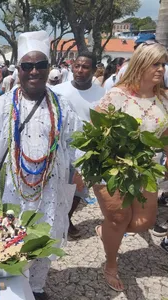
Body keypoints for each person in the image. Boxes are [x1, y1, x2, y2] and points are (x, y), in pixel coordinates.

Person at [0, 31, 83, 299]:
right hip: (12, 189)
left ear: (48, 69)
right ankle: (15, 287)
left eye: (40, 65)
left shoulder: (63, 107)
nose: (34, 71)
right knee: (12, 239)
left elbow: (76, 144)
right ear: (18, 70)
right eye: (27, 66)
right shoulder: (1, 106)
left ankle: (37, 287)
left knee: (44, 238)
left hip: (50, 189)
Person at [94, 42, 168, 292]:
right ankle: (111, 264)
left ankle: (105, 230)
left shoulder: (164, 98)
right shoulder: (117, 95)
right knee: (118, 217)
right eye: (155, 63)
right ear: (141, 65)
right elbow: (96, 134)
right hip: (112, 168)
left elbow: (166, 134)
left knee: (144, 222)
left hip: (145, 170)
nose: (160, 69)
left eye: (163, 64)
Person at [52, 52, 105, 238]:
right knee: (57, 186)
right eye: (77, 66)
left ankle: (66, 219)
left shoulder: (102, 94)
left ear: (93, 69)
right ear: (72, 67)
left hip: (86, 151)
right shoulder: (58, 91)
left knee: (79, 189)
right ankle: (55, 221)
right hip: (60, 149)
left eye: (85, 67)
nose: (80, 71)